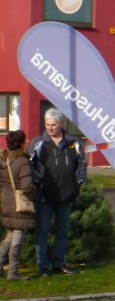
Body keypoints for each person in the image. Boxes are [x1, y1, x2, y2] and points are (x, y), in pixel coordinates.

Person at [27, 108, 87, 277]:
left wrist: (77, 182)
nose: (50, 128)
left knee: (62, 232)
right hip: (44, 197)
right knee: (42, 231)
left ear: (61, 123)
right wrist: (39, 182)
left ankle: (59, 263)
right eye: (47, 124)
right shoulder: (38, 143)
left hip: (66, 196)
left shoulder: (73, 142)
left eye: (53, 125)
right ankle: (42, 266)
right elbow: (28, 166)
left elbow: (82, 163)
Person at [0, 130, 38, 280]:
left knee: (10, 235)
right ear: (22, 144)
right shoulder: (22, 161)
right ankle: (13, 272)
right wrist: (37, 198)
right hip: (18, 202)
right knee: (17, 236)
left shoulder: (3, 160)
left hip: (5, 201)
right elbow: (27, 187)